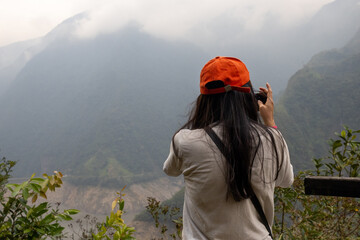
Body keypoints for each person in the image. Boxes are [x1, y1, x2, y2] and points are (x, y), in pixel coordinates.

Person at [163, 56, 294, 240]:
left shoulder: (184, 141)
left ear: (204, 100)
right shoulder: (272, 139)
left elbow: (170, 170)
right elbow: (286, 180)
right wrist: (270, 122)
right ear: (249, 96)